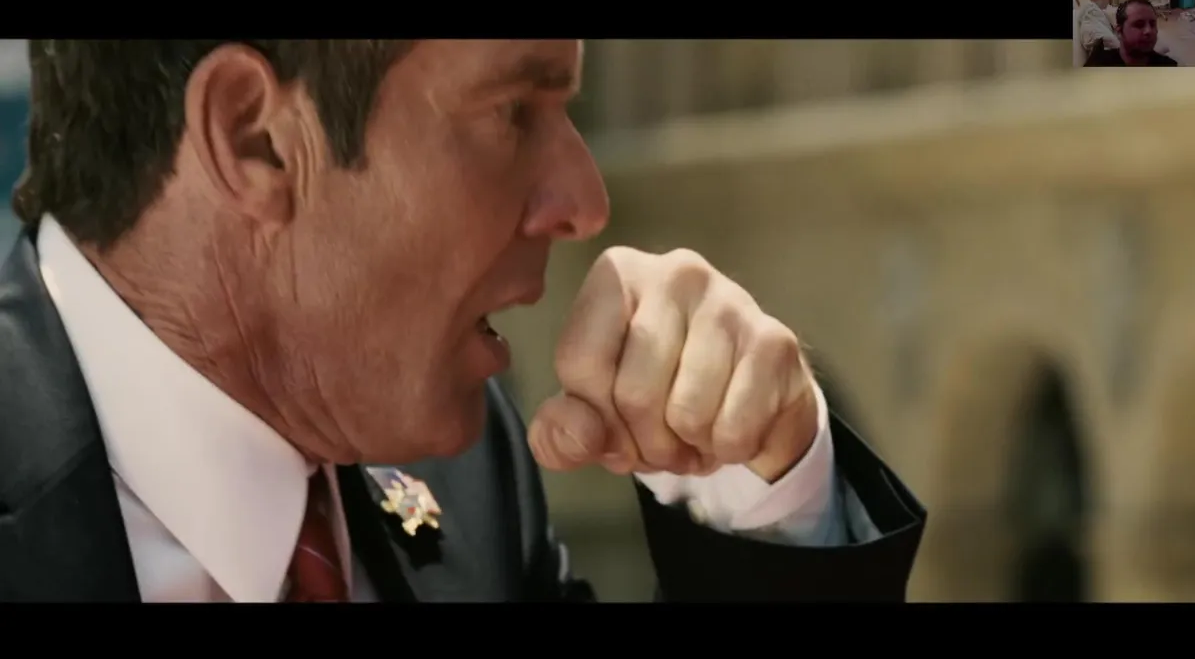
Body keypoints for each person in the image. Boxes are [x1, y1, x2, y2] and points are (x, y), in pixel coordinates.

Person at [0, 40, 925, 602]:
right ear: (256, 138)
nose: (584, 202)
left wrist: (757, 498)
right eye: (513, 111)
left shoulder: (461, 479)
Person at [1084, 0, 1179, 66]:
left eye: (1152, 24)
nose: (1149, 31)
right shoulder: (1099, 64)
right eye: (1139, 24)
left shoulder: (1169, 67)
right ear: (1119, 32)